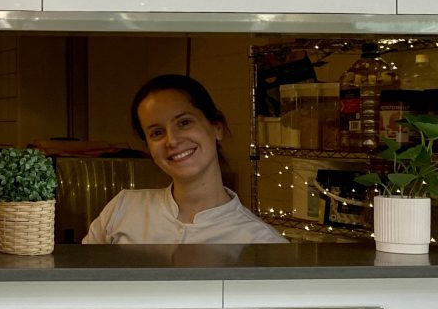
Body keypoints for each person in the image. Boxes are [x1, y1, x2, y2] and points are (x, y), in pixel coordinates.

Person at [83, 74, 286, 245]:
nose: (171, 141)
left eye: (184, 122)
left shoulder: (260, 241)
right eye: (156, 132)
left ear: (217, 127)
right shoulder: (122, 209)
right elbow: (80, 286)